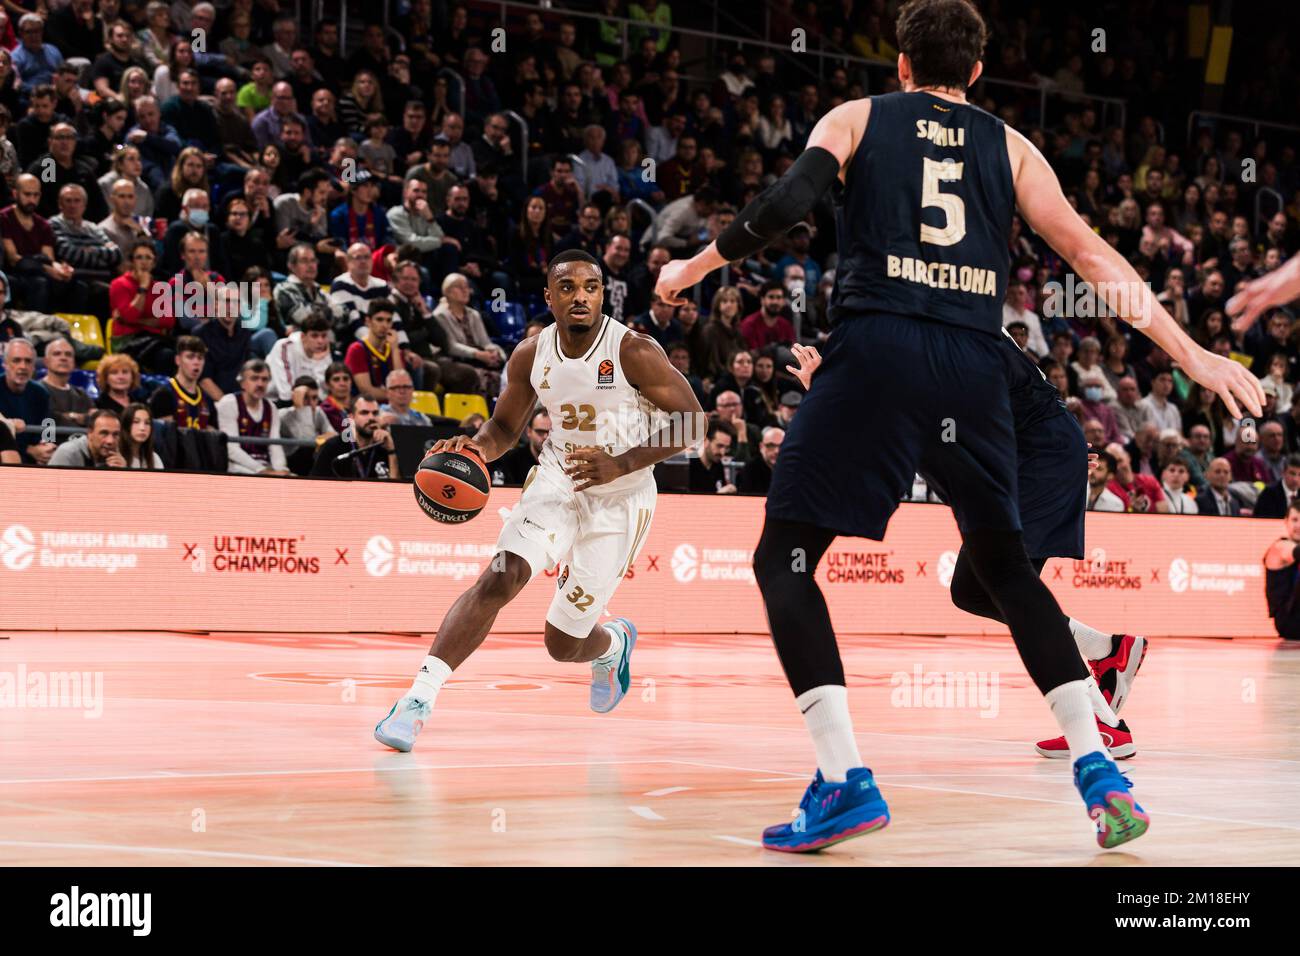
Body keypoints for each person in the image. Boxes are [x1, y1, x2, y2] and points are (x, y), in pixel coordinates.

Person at [654, 0, 1260, 853]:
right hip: (975, 362)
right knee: (1007, 572)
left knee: (784, 560)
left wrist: (696, 263)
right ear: (976, 72)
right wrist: (1192, 354)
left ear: (900, 64)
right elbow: (1093, 258)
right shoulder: (1012, 147)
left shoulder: (857, 117)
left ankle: (843, 781)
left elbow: (788, 203)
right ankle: (1100, 774)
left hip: (877, 341)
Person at [374, 249, 704, 753]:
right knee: (499, 577)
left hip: (621, 497)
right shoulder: (531, 354)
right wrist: (474, 450)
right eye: (567, 288)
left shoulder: (633, 350)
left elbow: (694, 422)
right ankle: (417, 700)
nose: (580, 297)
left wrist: (620, 463)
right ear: (549, 297)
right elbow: (505, 427)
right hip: (556, 480)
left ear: (601, 296)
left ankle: (612, 644)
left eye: (590, 287)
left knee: (562, 643)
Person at [215, 359, 288, 476]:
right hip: (236, 467)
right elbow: (231, 448)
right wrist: (261, 470)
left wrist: (281, 470)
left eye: (264, 379)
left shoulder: (271, 407)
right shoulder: (229, 403)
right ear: (242, 382)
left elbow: (275, 444)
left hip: (264, 467)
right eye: (254, 378)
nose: (260, 384)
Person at [311, 393, 397, 479]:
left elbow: (397, 488)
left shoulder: (386, 445)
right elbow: (315, 484)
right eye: (364, 413)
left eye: (375, 413)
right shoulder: (333, 447)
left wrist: (391, 451)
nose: (371, 418)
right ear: (351, 418)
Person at [0, 337, 54, 463]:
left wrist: (47, 446)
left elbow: (48, 424)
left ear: (34, 366)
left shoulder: (41, 393)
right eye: (16, 360)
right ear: (5, 364)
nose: (23, 366)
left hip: (33, 461)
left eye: (28, 361)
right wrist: (28, 449)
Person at [149, 335, 215, 428]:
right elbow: (165, 437)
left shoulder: (207, 400)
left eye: (200, 358)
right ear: (178, 360)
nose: (196, 362)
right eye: (190, 357)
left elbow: (212, 436)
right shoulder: (164, 395)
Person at [266, 309, 332, 402]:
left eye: (324, 336)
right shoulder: (284, 347)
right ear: (303, 337)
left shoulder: (324, 352)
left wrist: (317, 362)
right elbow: (286, 393)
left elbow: (325, 392)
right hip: (275, 401)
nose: (320, 341)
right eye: (314, 336)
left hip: (308, 403)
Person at [1263, 500, 1300, 640]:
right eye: (1295, 520)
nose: (1299, 525)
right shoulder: (1280, 547)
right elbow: (1294, 553)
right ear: (1286, 522)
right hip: (1289, 620)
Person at [39, 336, 91, 428]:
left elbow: (95, 419)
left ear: (74, 362)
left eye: (68, 354)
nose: (63, 358)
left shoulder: (82, 394)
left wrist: (65, 416)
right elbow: (48, 420)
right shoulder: (36, 390)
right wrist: (79, 417)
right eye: (57, 354)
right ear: (46, 361)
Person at [48, 408, 126, 468]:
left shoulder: (117, 455)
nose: (110, 441)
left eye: (115, 434)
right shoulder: (68, 452)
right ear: (90, 433)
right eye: (104, 433)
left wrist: (122, 474)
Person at [737, 426, 783, 494]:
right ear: (761, 447)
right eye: (771, 446)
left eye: (781, 446)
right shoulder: (749, 470)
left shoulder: (793, 470)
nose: (777, 451)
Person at [1254, 454, 1300, 519]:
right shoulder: (1268, 494)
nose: (1295, 479)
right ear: (1283, 473)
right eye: (1292, 473)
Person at [120, 402, 164, 469]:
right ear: (126, 424)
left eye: (147, 423)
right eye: (136, 422)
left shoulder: (154, 458)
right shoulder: (117, 457)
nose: (142, 428)